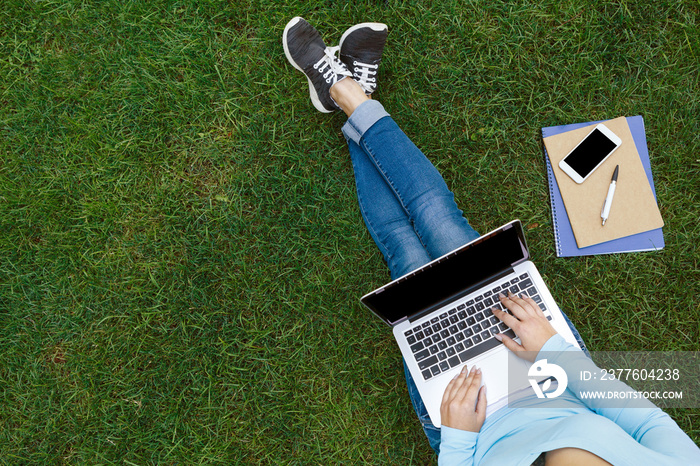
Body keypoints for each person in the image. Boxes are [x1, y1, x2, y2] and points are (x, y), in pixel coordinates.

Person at [282, 17, 700, 465]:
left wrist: (459, 439)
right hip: (551, 370)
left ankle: (345, 92)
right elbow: (644, 421)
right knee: (439, 218)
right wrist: (552, 350)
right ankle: (348, 95)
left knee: (402, 249)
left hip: (469, 424)